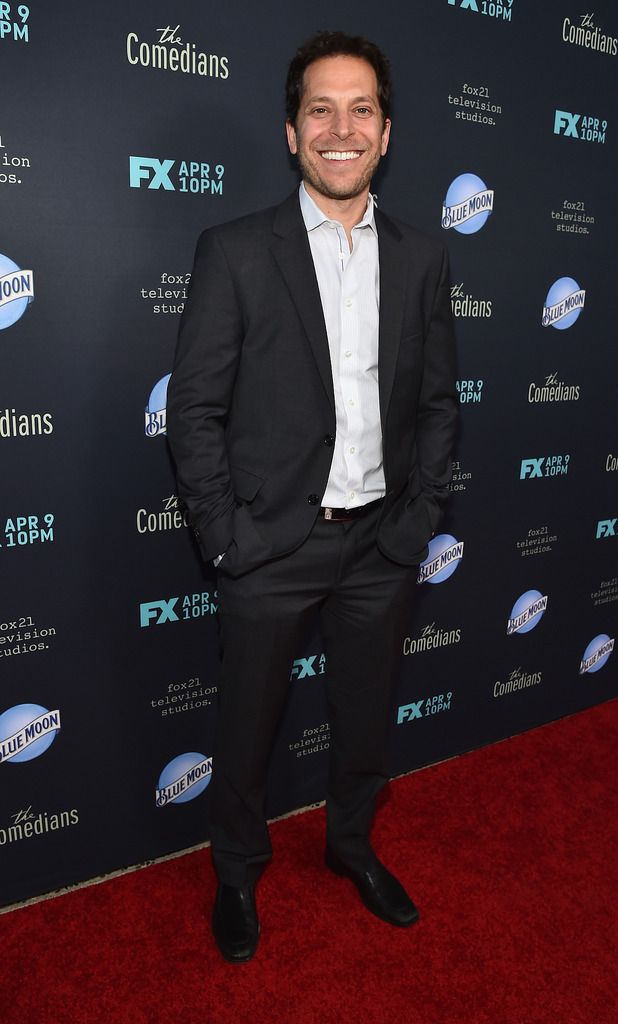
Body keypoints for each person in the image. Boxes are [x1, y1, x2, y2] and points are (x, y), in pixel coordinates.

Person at [167, 29, 458, 963]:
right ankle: (238, 873)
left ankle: (350, 847)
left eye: (361, 108)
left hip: (381, 544)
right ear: (292, 133)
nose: (342, 128)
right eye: (320, 110)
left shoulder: (422, 258)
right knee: (245, 730)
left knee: (365, 723)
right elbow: (195, 409)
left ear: (387, 131)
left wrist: (416, 522)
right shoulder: (234, 250)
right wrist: (225, 537)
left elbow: (440, 402)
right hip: (270, 546)